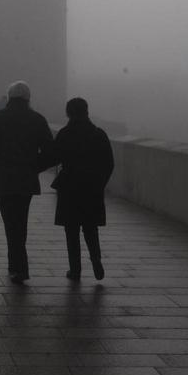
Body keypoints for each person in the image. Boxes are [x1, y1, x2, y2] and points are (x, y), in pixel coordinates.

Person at [0, 81, 56, 284]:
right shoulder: (37, 119)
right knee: (20, 221)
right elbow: (51, 152)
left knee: (10, 223)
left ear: (9, 97)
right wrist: (35, 167)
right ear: (28, 98)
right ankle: (19, 267)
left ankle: (17, 267)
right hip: (26, 179)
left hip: (3, 180)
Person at [52, 97, 115, 281]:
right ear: (86, 111)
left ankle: (75, 270)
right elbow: (109, 163)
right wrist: (99, 184)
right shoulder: (98, 134)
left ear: (68, 113)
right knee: (90, 228)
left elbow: (54, 157)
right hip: (92, 188)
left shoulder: (65, 134)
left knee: (71, 231)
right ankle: (96, 259)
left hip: (70, 187)